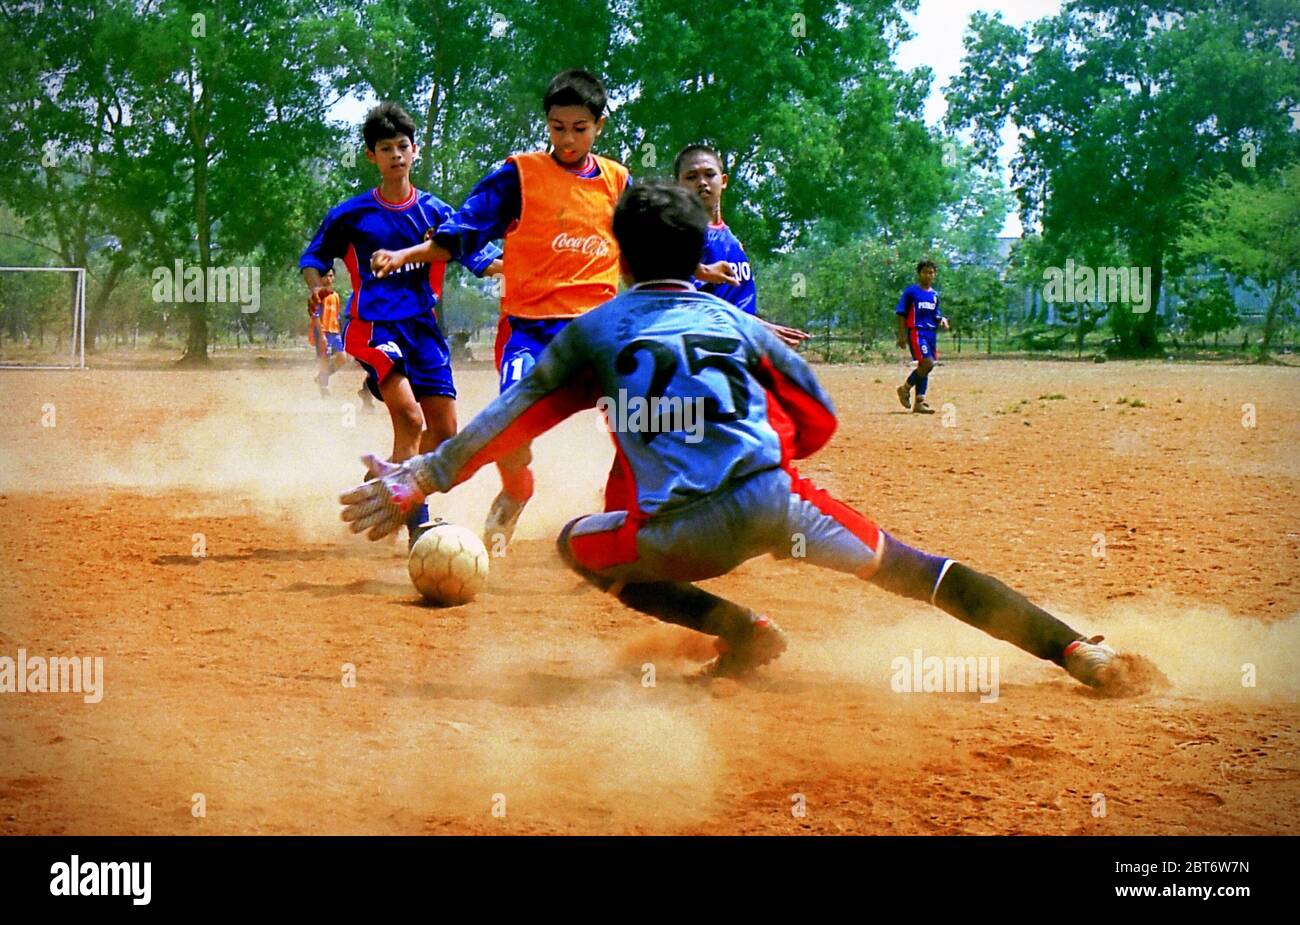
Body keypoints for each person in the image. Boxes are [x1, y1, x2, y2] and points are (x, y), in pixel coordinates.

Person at [340, 181, 1119, 688]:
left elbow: (504, 422)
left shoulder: (597, 330)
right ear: (697, 255)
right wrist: (758, 458)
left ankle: (738, 629)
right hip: (782, 507)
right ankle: (1078, 651)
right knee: (924, 571)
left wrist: (421, 478)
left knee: (577, 542)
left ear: (621, 255)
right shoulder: (738, 323)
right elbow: (820, 416)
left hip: (677, 535)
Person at [371, 69, 740, 553]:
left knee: (640, 426)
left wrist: (696, 269)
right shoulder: (519, 176)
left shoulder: (617, 181)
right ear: (547, 124)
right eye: (557, 127)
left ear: (599, 126)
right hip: (531, 333)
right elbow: (463, 231)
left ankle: (624, 530)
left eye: (579, 128)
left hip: (604, 334)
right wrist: (405, 256)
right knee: (510, 436)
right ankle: (517, 489)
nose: (567, 139)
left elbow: (649, 244)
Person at [300, 101, 502, 547]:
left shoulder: (435, 213)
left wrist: (513, 266)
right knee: (409, 418)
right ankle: (418, 524)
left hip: (424, 332)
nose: (395, 154)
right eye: (385, 147)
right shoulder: (351, 214)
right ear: (371, 156)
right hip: (373, 327)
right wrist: (316, 285)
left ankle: (385, 484)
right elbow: (314, 258)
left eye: (402, 146)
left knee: (445, 435)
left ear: (415, 152)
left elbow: (478, 256)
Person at [674, 143, 809, 348]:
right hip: (706, 353)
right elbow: (691, 306)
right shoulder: (681, 237)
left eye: (710, 174)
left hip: (739, 348)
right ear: (677, 186)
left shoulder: (731, 239)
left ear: (724, 180)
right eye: (691, 177)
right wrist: (757, 326)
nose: (702, 182)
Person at [895, 260, 949, 414]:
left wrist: (942, 319)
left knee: (924, 366)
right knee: (927, 363)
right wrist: (901, 335)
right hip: (916, 331)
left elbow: (935, 314)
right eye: (925, 272)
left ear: (935, 275)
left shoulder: (934, 295)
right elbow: (900, 313)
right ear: (919, 274)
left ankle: (920, 401)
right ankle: (905, 389)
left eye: (931, 272)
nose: (928, 275)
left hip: (930, 333)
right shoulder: (911, 292)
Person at [307, 267, 347, 397]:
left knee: (342, 358)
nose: (329, 279)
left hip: (335, 332)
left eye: (331, 276)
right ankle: (324, 389)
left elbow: (337, 316)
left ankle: (322, 378)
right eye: (325, 276)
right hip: (323, 332)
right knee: (324, 359)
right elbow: (316, 315)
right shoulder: (318, 295)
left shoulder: (335, 295)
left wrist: (340, 333)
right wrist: (322, 335)